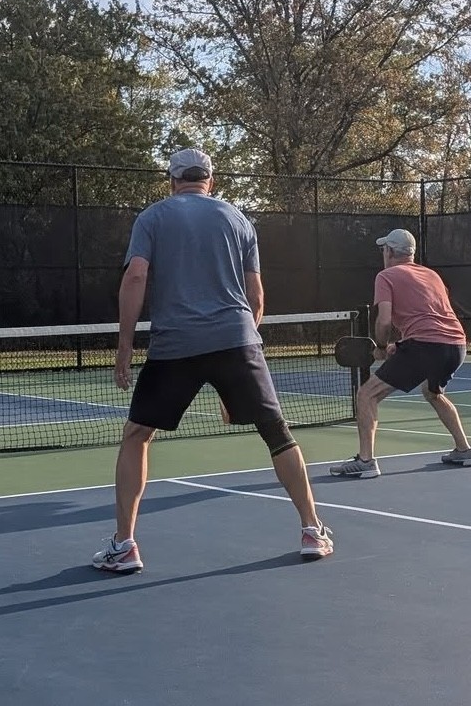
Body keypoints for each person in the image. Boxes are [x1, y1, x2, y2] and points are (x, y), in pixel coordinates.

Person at [95, 147, 333, 573]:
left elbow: (135, 276)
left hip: (174, 346)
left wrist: (125, 345)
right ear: (211, 180)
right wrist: (241, 353)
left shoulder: (152, 217)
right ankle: (312, 531)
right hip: (238, 340)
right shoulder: (239, 219)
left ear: (172, 181)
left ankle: (124, 545)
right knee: (277, 432)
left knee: (137, 435)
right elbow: (256, 298)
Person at [331, 228, 471, 478]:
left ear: (389, 251)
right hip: (456, 345)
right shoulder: (432, 275)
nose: (383, 254)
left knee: (367, 395)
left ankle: (366, 461)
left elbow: (384, 321)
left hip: (426, 346)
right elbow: (431, 317)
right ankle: (465, 450)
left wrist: (380, 347)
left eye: (383, 249)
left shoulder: (385, 276)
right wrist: (400, 345)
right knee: (432, 393)